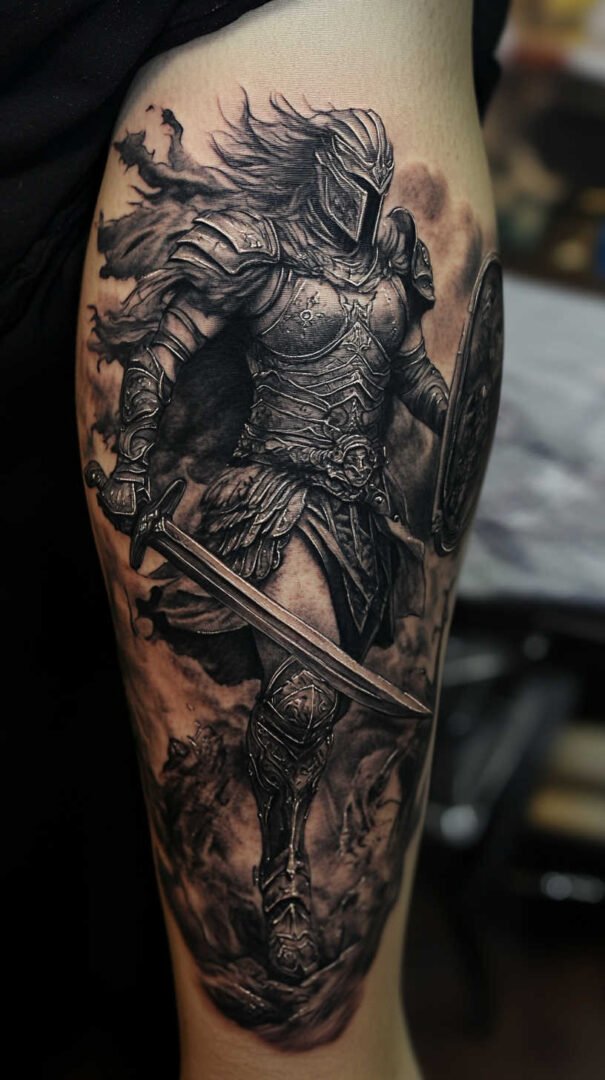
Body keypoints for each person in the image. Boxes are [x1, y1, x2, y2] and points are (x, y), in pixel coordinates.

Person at [2, 0, 508, 1075]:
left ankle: (263, 810)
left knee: (307, 715)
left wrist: (450, 414)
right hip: (271, 500)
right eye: (350, 186)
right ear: (324, 179)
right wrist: (134, 458)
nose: (362, 205)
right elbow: (159, 347)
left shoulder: (390, 280)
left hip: (356, 515)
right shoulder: (264, 260)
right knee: (309, 693)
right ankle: (280, 878)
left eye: (373, 190)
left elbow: (422, 384)